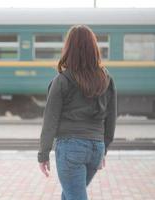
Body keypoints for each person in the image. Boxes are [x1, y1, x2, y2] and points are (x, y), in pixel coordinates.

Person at [37, 24, 117, 200]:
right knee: (70, 195)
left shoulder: (62, 81)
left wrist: (43, 154)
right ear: (94, 48)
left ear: (69, 49)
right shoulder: (106, 79)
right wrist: (104, 150)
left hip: (71, 148)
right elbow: (111, 120)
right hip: (96, 148)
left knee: (74, 195)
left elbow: (50, 121)